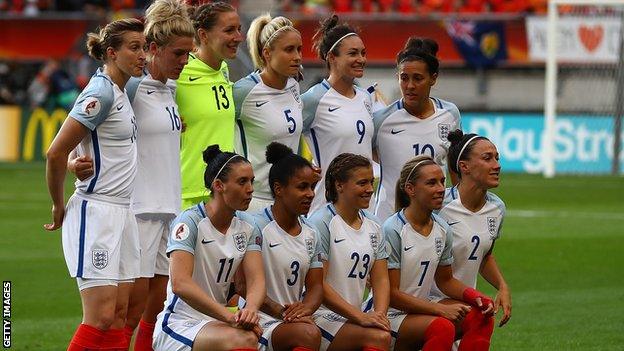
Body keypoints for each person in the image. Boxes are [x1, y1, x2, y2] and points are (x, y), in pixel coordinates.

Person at [44, 18, 146, 350]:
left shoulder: (120, 90)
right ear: (112, 53)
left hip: (123, 213)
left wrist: (77, 160)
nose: (142, 54)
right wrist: (58, 204)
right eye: (134, 47)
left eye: (143, 47)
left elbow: (83, 145)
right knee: (100, 317)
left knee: (120, 315)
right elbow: (55, 152)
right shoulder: (101, 92)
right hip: (97, 210)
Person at [152, 145, 265, 351]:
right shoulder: (189, 222)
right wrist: (230, 317)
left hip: (218, 321)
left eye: (251, 181)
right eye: (242, 182)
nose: (250, 189)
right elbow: (180, 284)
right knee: (245, 340)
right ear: (219, 185)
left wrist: (250, 310)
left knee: (254, 336)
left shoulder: (249, 226)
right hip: (181, 323)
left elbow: (256, 280)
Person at [384, 155, 496, 351]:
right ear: (410, 189)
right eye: (431, 183)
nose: (440, 189)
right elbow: (391, 295)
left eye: (442, 182)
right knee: (442, 327)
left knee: (481, 316)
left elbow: (445, 280)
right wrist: (439, 309)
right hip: (392, 313)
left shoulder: (442, 228)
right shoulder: (393, 229)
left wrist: (476, 296)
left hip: (421, 308)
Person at [237, 142, 323, 351]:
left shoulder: (312, 232)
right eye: (302, 187)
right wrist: (283, 313)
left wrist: (304, 309)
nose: (311, 194)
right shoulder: (254, 226)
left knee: (308, 333)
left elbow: (316, 287)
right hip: (257, 318)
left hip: (292, 320)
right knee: (308, 335)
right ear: (278, 189)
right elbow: (242, 286)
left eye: (312, 186)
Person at [307, 153, 391, 351]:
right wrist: (361, 317)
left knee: (381, 332)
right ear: (339, 185)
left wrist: (379, 315)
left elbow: (381, 280)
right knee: (378, 338)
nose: (370, 189)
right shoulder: (321, 223)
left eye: (371, 182)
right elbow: (318, 284)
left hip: (354, 314)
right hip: (321, 314)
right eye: (362, 183)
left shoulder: (374, 225)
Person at [373, 37, 461, 222]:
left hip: (433, 220)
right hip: (388, 219)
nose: (410, 86)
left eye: (418, 78)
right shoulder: (381, 120)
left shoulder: (450, 114)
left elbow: (455, 171)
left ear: (433, 78)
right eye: (404, 78)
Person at [432, 130, 512, 334]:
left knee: (480, 316)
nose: (497, 165)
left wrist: (502, 286)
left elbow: (484, 255)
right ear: (464, 167)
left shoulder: (497, 208)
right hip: (429, 301)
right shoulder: (439, 206)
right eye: (487, 158)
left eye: (497, 158)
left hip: (466, 301)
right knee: (478, 318)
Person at [302, 14, 375, 214]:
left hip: (364, 206)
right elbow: (285, 134)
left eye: (363, 53)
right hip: (326, 208)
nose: (361, 59)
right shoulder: (313, 99)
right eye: (353, 53)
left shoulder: (365, 97)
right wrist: (302, 168)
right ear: (332, 57)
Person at [233, 13, 303, 211]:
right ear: (267, 53)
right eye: (289, 50)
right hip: (255, 200)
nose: (297, 56)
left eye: (299, 49)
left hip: (288, 199)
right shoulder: (244, 91)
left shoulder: (294, 86)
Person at [177, 1, 243, 209]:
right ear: (203, 35)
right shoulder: (179, 71)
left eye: (239, 29)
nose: (238, 37)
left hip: (223, 191)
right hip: (190, 193)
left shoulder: (223, 69)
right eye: (229, 30)